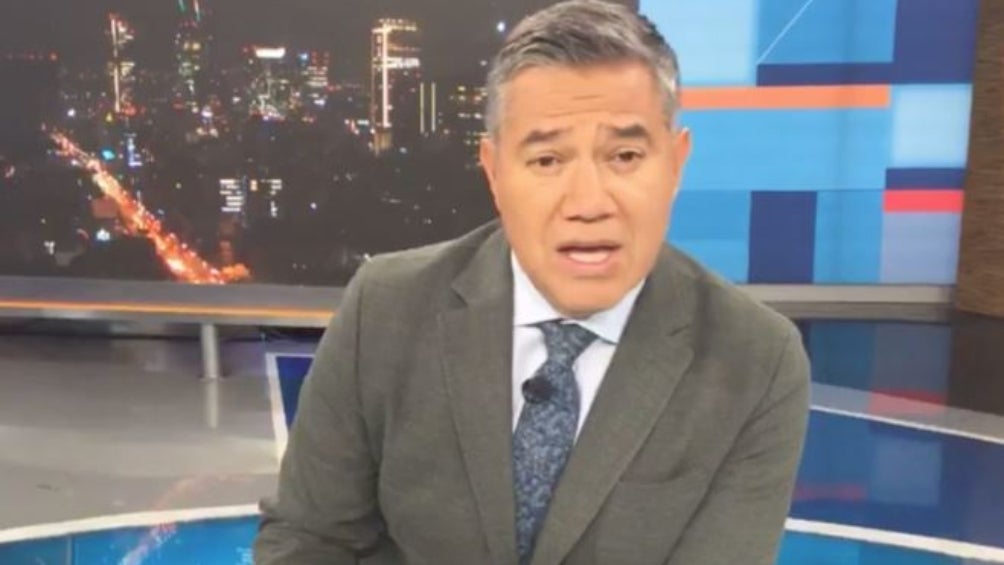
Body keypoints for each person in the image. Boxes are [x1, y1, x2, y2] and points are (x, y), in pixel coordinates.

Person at [253, 1, 810, 563]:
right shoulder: (386, 308)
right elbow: (309, 540)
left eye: (624, 155)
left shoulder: (756, 361)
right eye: (547, 160)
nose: (588, 203)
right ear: (494, 172)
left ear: (675, 163)